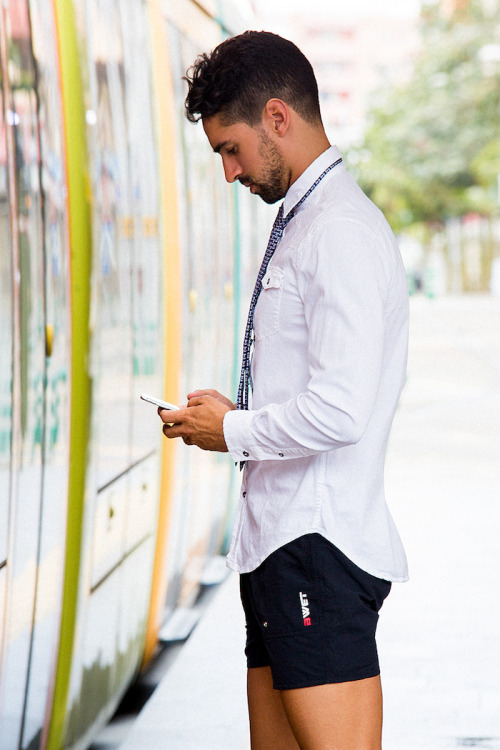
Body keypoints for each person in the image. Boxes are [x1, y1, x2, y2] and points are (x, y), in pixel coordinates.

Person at [159, 30, 409, 750]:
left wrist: (232, 433)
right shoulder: (307, 220)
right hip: (280, 551)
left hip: (317, 551)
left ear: (277, 117)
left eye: (229, 150)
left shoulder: (338, 232)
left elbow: (342, 408)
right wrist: (233, 417)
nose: (229, 173)